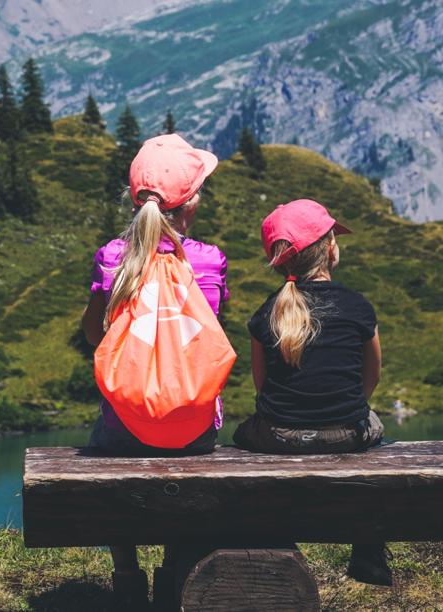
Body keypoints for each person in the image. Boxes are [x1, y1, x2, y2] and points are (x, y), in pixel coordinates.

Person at [81, 134, 228, 609]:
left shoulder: (110, 257)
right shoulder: (208, 261)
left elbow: (92, 336)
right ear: (193, 201)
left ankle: (126, 573)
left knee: (102, 435)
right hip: (196, 431)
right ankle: (171, 568)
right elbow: (203, 337)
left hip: (124, 430)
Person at [233, 199, 389, 585]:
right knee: (374, 423)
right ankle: (368, 550)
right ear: (330, 248)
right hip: (347, 434)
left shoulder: (266, 311)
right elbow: (371, 378)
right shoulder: (358, 306)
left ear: (281, 263)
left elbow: (262, 387)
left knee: (242, 433)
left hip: (280, 435)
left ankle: (276, 538)